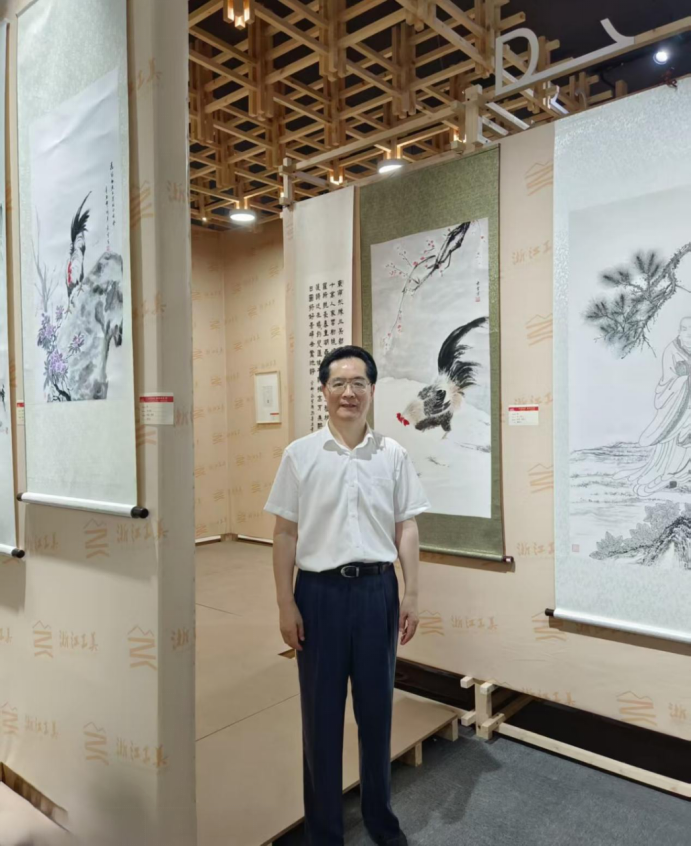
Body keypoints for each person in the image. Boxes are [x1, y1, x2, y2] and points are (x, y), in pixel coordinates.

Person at [266, 346, 430, 847]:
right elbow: (284, 534)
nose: (349, 393)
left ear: (373, 390)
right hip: (318, 595)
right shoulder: (300, 455)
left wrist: (412, 592)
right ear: (324, 391)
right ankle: (324, 832)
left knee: (377, 713)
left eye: (359, 383)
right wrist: (285, 602)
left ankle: (381, 820)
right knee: (321, 718)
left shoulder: (393, 454)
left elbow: (406, 527)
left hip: (378, 592)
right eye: (338, 383)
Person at [629, 316, 691, 497]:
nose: (688, 333)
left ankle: (682, 474)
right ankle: (669, 475)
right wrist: (681, 380)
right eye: (684, 329)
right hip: (680, 406)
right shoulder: (672, 350)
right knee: (681, 440)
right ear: (679, 331)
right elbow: (667, 382)